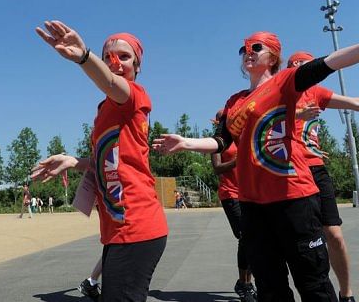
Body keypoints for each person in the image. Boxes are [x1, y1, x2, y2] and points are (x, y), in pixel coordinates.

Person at [153, 32, 359, 301]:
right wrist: (185, 142)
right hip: (251, 204)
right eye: (244, 49)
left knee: (313, 284)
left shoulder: (286, 81)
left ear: (273, 56)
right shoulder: (234, 102)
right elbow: (221, 140)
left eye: (256, 47)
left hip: (294, 198)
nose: (248, 52)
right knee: (270, 287)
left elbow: (330, 62)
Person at [33, 20, 168, 301]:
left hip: (136, 226)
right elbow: (107, 158)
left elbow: (109, 81)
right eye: (108, 57)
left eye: (124, 56)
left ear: (138, 65)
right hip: (116, 228)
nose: (115, 62)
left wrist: (84, 56)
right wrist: (74, 161)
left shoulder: (134, 96)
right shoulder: (105, 108)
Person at [286, 51, 356, 302]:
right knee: (295, 240)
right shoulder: (280, 93)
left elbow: (354, 102)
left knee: (334, 236)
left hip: (315, 168)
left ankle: (346, 294)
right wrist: (298, 115)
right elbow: (260, 121)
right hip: (288, 170)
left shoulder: (316, 93)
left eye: (308, 67)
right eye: (297, 68)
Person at [210, 110, 256, 302]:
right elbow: (217, 168)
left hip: (249, 193)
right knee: (245, 236)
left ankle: (248, 282)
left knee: (254, 238)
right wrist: (239, 161)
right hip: (230, 194)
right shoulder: (216, 144)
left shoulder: (244, 137)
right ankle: (243, 283)